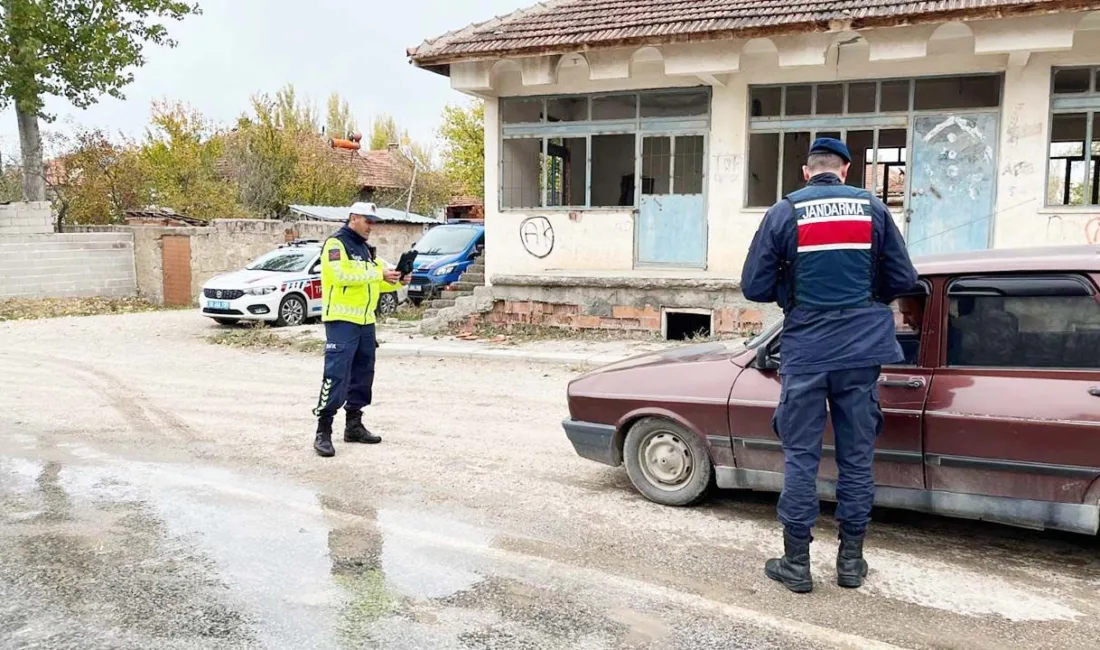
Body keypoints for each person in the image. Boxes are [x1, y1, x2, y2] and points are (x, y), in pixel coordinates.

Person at [741, 137, 918, 593]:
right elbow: (903, 279)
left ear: (807, 172)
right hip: (861, 353)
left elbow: (754, 286)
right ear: (845, 170)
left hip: (807, 351)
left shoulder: (785, 211)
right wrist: (864, 298)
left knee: (801, 457)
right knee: (857, 458)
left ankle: (796, 565)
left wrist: (790, 289)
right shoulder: (873, 210)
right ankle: (851, 564)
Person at [312, 202, 405, 458]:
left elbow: (372, 285)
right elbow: (340, 275)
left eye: (374, 222)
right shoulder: (336, 244)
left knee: (363, 374)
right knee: (336, 375)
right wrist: (378, 274)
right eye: (368, 220)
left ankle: (354, 424)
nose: (371, 226)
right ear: (353, 218)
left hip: (366, 322)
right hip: (341, 321)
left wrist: (394, 281)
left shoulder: (365, 249)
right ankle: (323, 431)